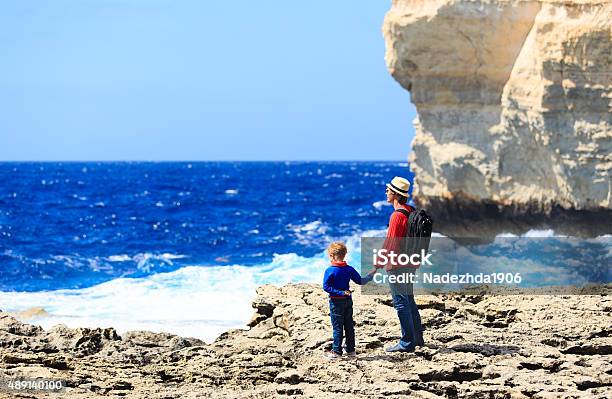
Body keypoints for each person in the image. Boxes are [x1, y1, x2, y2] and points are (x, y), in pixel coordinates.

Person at [377, 176, 425, 353]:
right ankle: (417, 338)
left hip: (397, 264)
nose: (386, 192)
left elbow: (391, 243)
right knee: (409, 299)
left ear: (396, 195)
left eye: (388, 190)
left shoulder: (397, 216)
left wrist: (378, 263)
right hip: (410, 263)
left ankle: (406, 342)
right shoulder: (410, 210)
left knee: (401, 302)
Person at [322, 241, 374, 360]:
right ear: (345, 254)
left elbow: (326, 287)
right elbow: (361, 281)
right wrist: (371, 275)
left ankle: (336, 352)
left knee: (337, 327)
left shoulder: (330, 270)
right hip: (348, 301)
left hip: (336, 302)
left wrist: (339, 292)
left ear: (332, 255)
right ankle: (351, 351)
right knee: (349, 326)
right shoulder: (349, 269)